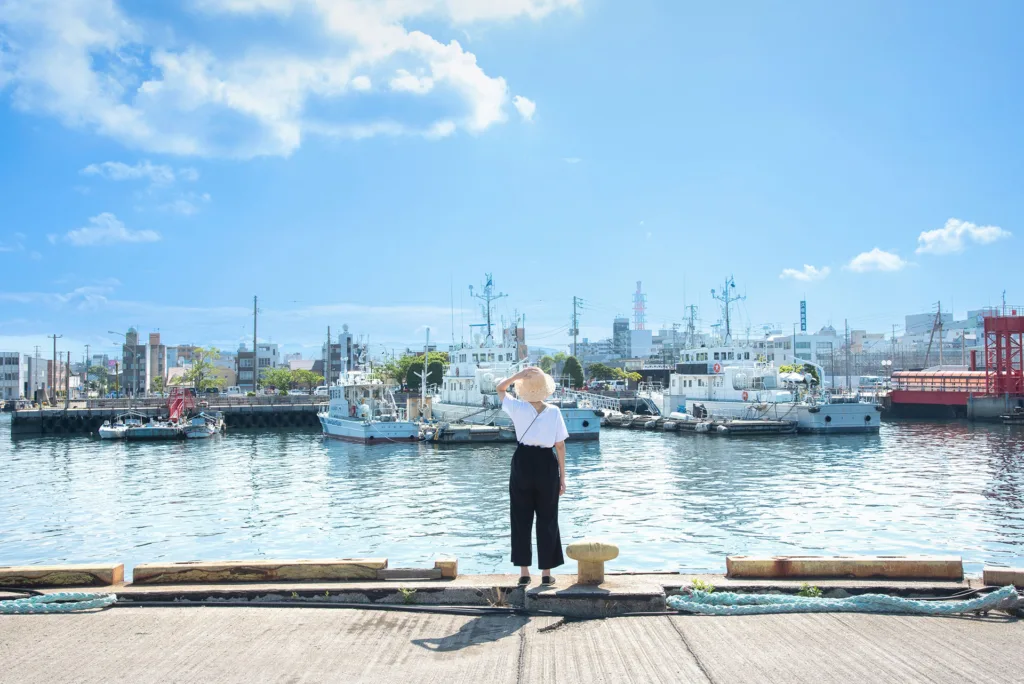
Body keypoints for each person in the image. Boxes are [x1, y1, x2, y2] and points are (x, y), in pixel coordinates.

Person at [496, 366, 568, 586]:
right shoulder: (554, 412)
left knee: (520, 517)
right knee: (548, 518)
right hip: (547, 464)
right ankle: (546, 574)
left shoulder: (517, 407)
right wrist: (562, 477)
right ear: (545, 388)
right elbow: (560, 446)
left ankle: (524, 572)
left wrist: (517, 376)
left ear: (524, 388)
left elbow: (499, 388)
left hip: (523, 462)